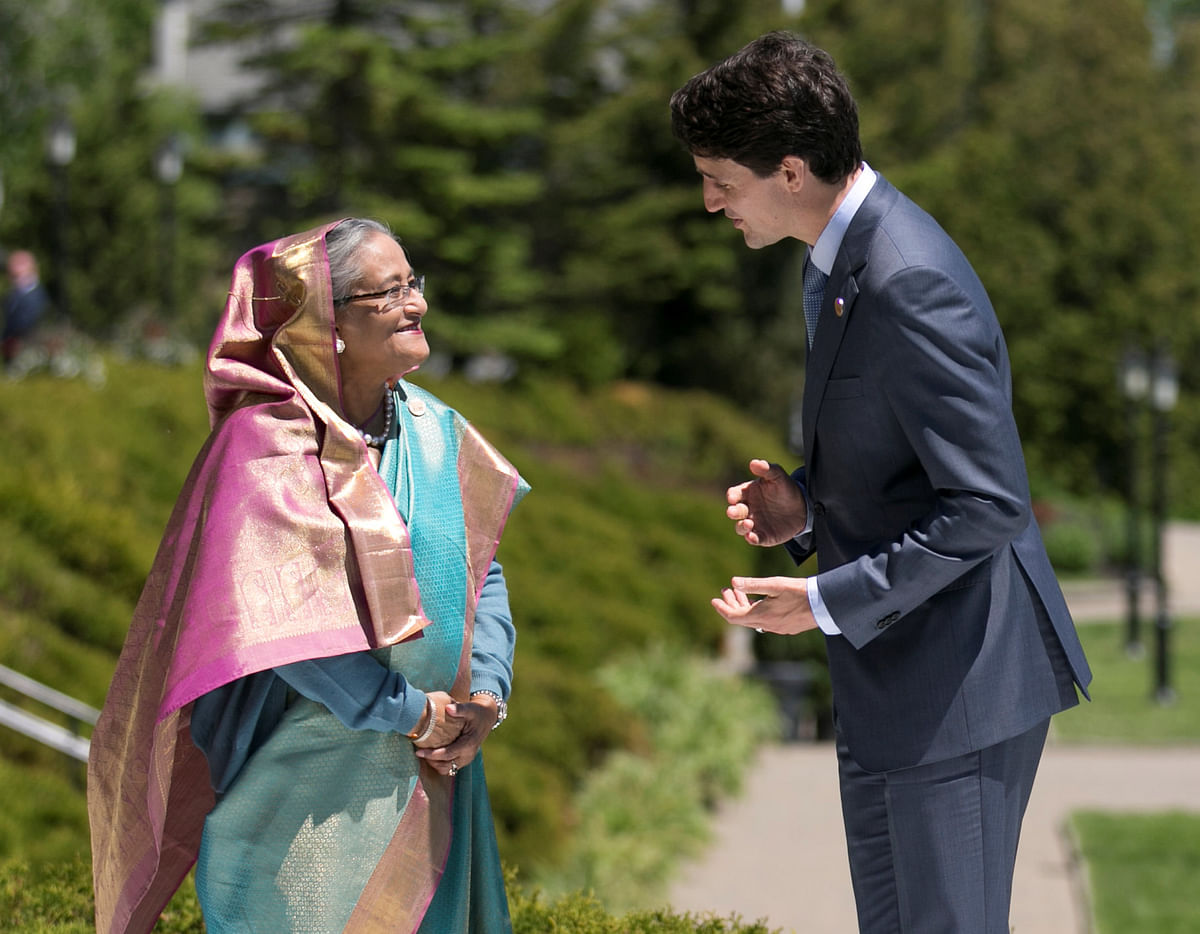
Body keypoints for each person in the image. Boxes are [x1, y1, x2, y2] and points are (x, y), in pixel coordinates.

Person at [671, 33, 1092, 934]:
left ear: (789, 170)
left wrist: (822, 599)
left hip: (962, 690)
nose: (708, 203)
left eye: (719, 178)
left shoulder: (905, 276)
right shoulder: (834, 258)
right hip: (899, 685)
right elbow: (914, 470)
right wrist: (806, 510)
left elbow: (987, 503)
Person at [87, 218, 528, 934]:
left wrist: (484, 693)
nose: (415, 304)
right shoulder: (267, 447)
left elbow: (484, 570)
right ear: (329, 324)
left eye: (413, 283)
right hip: (311, 773)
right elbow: (289, 629)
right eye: (387, 293)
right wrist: (412, 712)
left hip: (441, 760)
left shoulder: (433, 427)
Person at [2, 249, 50, 365]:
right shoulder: (13, 295)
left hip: (27, 350)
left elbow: (29, 322)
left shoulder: (36, 295)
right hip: (11, 351)